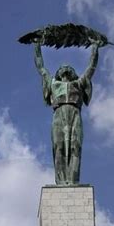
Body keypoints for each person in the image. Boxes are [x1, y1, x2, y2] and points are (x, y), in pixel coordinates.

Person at [34, 39, 100, 185]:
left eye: (69, 67)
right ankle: (61, 181)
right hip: (58, 114)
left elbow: (91, 68)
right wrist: (37, 46)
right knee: (59, 146)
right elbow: (41, 68)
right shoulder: (52, 83)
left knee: (75, 146)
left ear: (73, 73)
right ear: (58, 73)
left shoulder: (78, 83)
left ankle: (72, 180)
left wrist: (95, 48)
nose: (65, 67)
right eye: (62, 67)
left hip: (75, 113)